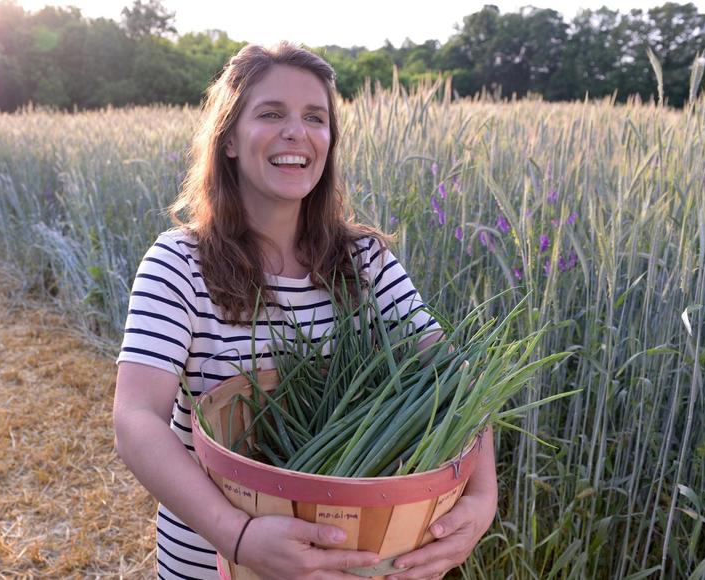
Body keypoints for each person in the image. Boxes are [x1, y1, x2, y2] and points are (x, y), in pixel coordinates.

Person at [113, 42, 498, 580]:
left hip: (357, 563)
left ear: (328, 143)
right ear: (227, 139)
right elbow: (135, 420)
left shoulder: (366, 263)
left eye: (314, 118)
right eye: (271, 113)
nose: (296, 131)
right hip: (212, 563)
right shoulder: (179, 264)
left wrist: (482, 502)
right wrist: (240, 535)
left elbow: (456, 378)